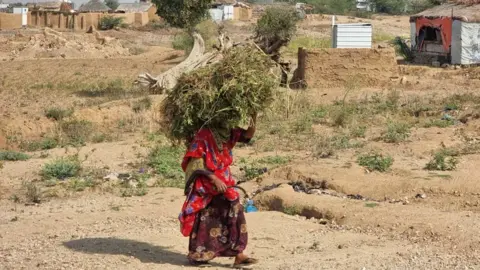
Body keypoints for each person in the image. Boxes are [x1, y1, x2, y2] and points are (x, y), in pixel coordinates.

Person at [178, 113, 258, 267]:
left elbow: (248, 135)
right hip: (207, 182)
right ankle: (198, 254)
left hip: (225, 181)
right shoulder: (204, 134)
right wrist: (213, 178)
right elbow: (195, 164)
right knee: (205, 216)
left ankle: (238, 253)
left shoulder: (228, 132)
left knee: (235, 209)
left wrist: (254, 114)